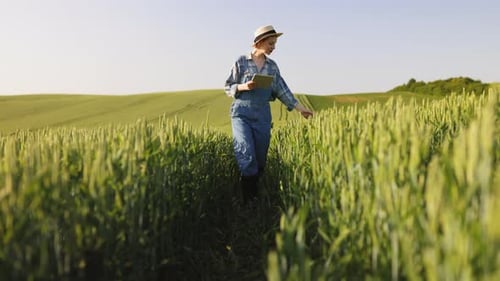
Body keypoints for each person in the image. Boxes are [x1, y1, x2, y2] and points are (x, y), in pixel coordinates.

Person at [224, 25, 313, 204]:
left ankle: (255, 194)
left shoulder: (272, 67)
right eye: (271, 43)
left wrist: (300, 108)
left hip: (262, 114)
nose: (274, 47)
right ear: (260, 42)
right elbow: (228, 86)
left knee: (260, 158)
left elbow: (282, 90)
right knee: (246, 154)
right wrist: (243, 86)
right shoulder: (241, 61)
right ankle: (249, 202)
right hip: (241, 113)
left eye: (275, 44)